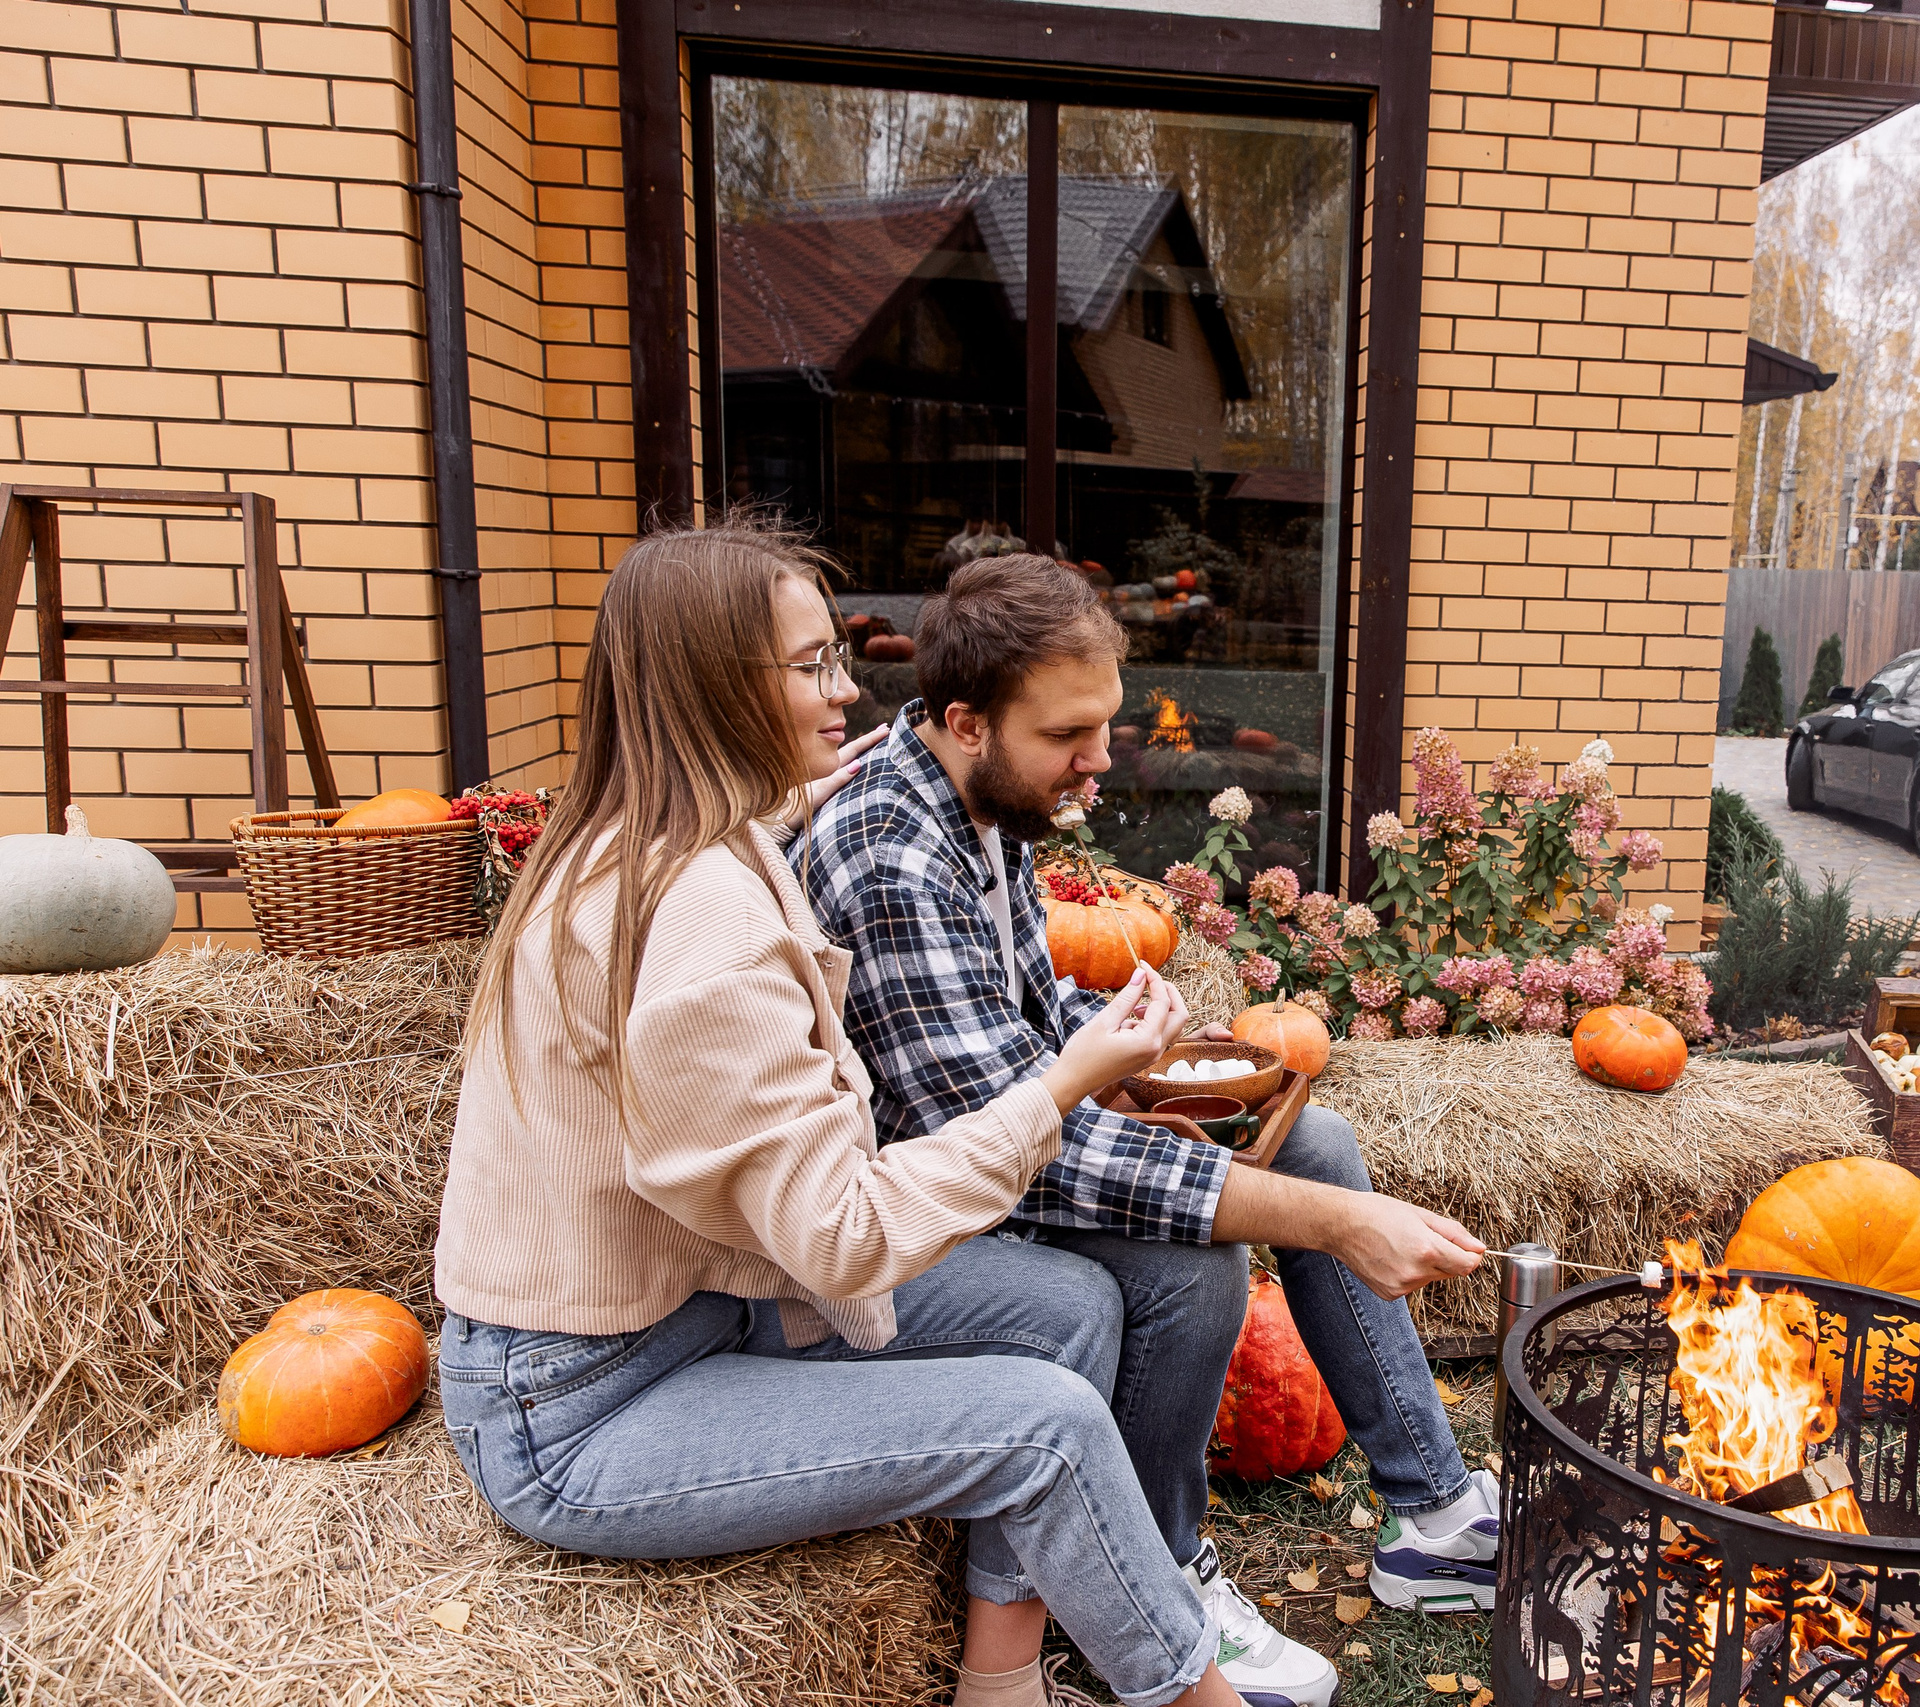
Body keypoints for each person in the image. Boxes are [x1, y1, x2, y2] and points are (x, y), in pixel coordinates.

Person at [434, 522, 1256, 1707]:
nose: (849, 691)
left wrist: (813, 778)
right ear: (718, 687)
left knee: (1066, 1305)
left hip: (701, 1312)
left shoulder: (664, 835)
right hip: (583, 1406)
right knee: (1047, 1426)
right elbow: (842, 1240)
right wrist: (1063, 1081)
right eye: (814, 666)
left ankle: (1001, 1682)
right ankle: (1196, 1694)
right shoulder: (701, 911)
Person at [801, 554, 1501, 1707]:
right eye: (1070, 733)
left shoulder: (982, 801)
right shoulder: (894, 854)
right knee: (1188, 1270)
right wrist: (1336, 1226)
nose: (1102, 756)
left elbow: (1024, 1017)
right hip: (903, 1209)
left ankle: (1429, 1516)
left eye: (1107, 724)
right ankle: (1157, 1580)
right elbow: (1005, 1149)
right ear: (966, 720)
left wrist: (1142, 1051)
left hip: (992, 1136)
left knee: (1310, 1141)